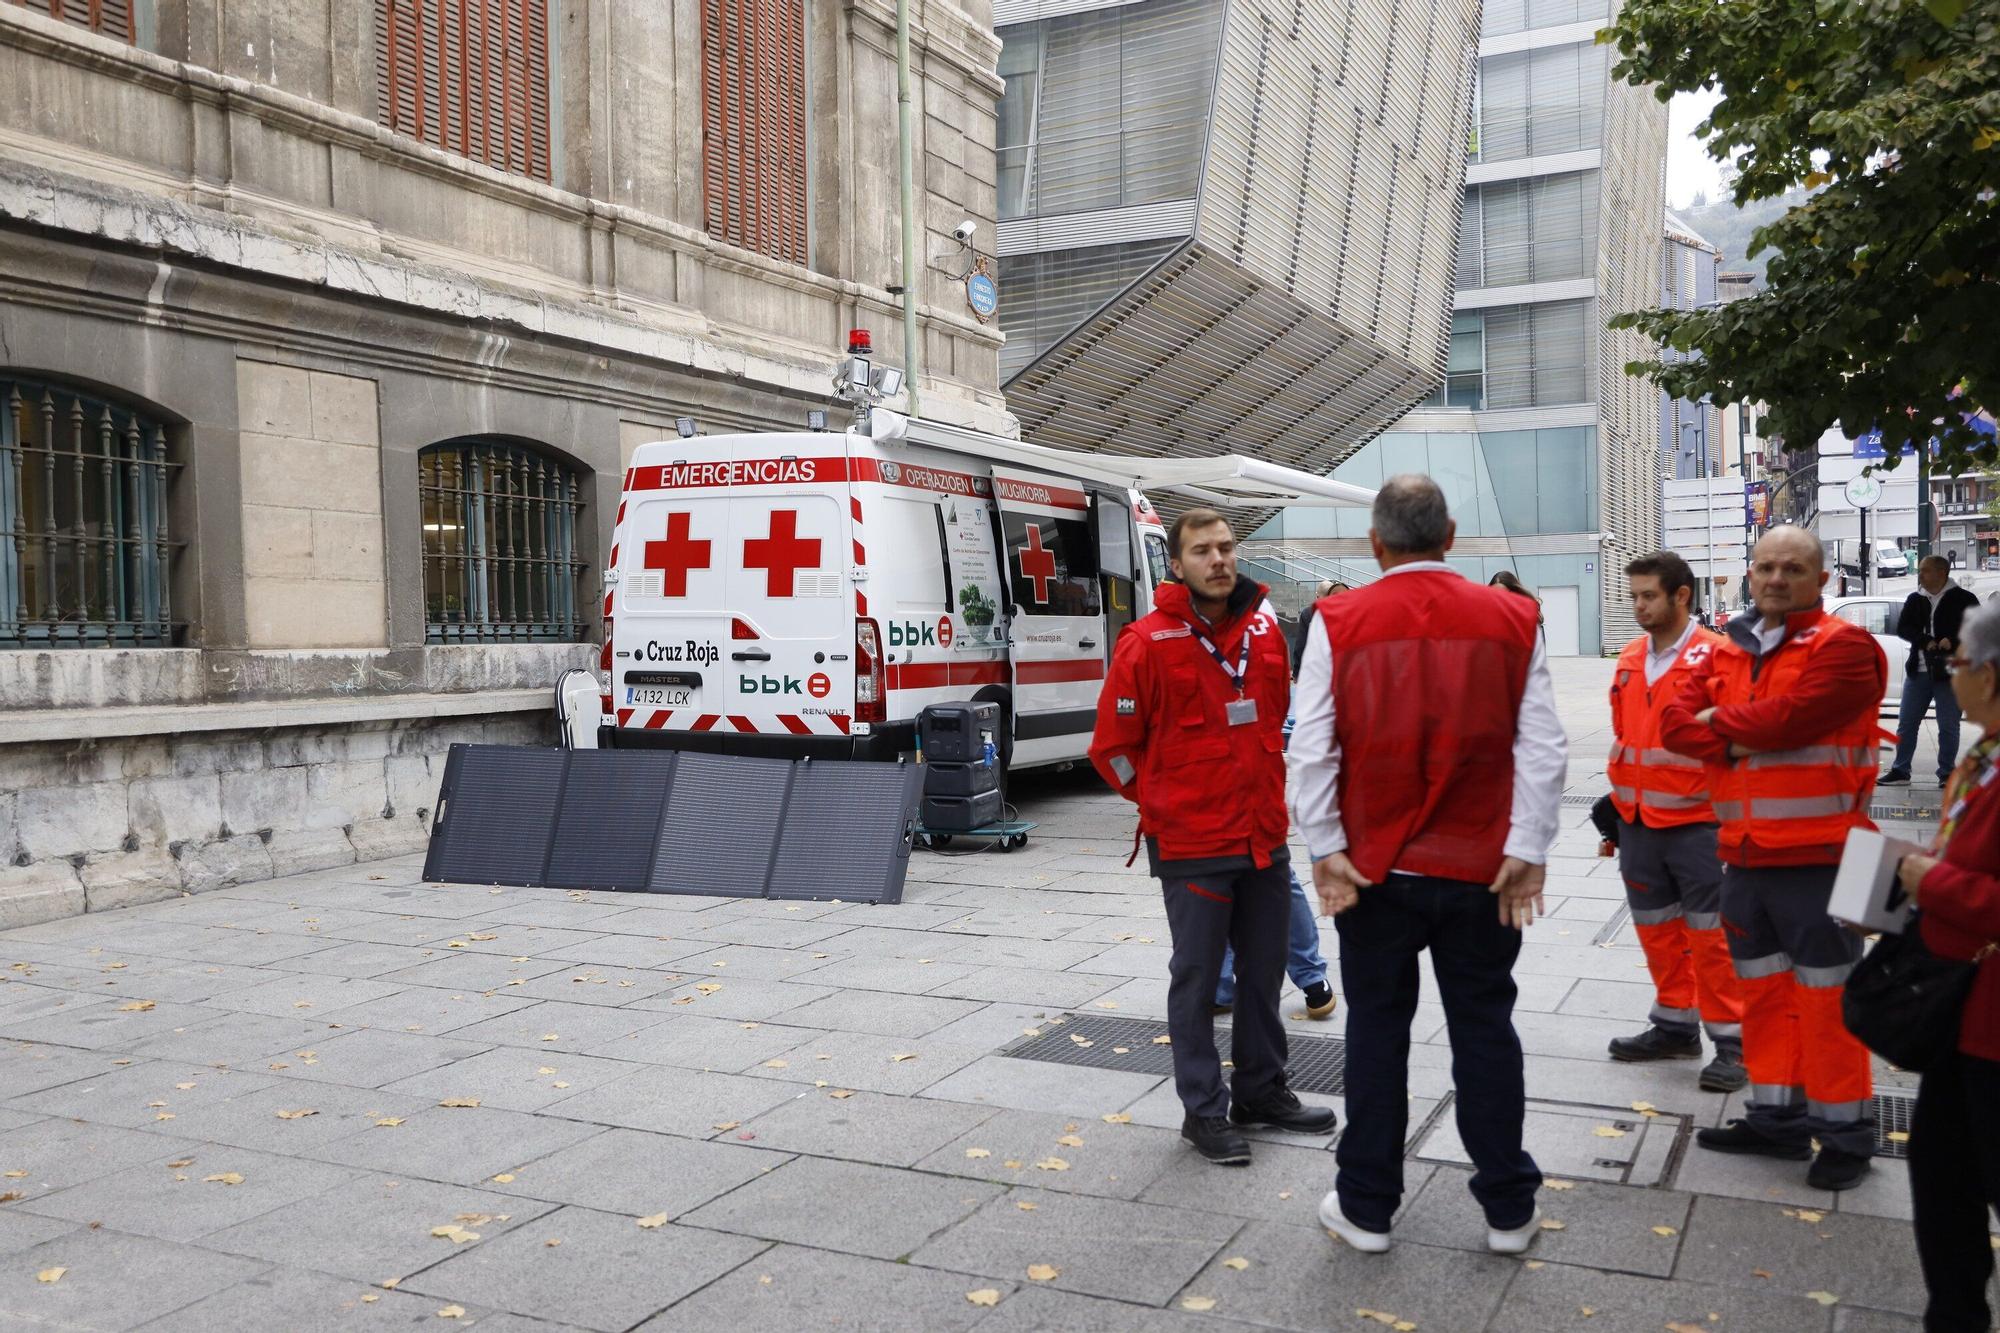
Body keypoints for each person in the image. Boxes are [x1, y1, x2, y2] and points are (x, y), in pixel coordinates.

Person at [1293, 475, 1566, 1255]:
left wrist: (1327, 850)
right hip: (1482, 867)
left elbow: (1312, 746)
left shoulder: (1338, 620)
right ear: (1451, 534)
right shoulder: (1515, 616)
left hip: (1377, 869)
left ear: (1376, 544)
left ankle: (1367, 1205)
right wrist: (1528, 850)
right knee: (1486, 1027)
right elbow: (1541, 744)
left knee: (1377, 1032)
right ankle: (1508, 1208)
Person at [1089, 507, 1338, 1166]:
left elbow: (1277, 719)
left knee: (1262, 977)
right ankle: (1204, 1110)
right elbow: (1112, 749)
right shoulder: (1145, 641)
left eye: (1226, 547)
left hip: (1262, 836)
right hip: (1192, 842)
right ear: (1176, 562)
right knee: (1197, 981)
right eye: (1202, 550)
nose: (1219, 559)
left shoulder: (1265, 629)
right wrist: (1160, 803)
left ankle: (1261, 1090)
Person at [1660, 525, 1887, 1191]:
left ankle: (1847, 1134)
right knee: (1763, 997)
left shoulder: (1848, 647)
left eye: (1793, 567)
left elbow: (1795, 720)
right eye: (1766, 566)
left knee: (1828, 1002)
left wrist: (1720, 732)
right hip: (1746, 856)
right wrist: (1738, 734)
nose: (1777, 578)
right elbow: (1674, 724)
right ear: (1748, 574)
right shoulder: (1728, 650)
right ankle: (1777, 1118)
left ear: (1822, 579)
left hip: (1824, 857)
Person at [1603, 551, 1747, 1090]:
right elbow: (1626, 736)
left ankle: (1734, 1044)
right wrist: (1613, 810)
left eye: (1648, 596)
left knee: (1713, 939)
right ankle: (1675, 1025)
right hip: (1638, 820)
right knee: (1657, 931)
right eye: (1634, 596)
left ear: (1681, 595)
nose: (1638, 606)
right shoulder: (1630, 657)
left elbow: (1736, 742)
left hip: (1698, 823)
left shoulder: (1719, 657)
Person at [1895, 605, 2000, 1332]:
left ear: (1988, 674)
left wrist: (1926, 882)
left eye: (1957, 662)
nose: (1950, 673)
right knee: (1941, 1177)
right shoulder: (1980, 754)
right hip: (1958, 1012)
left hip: (1995, 1026)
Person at [1881, 555, 1980, 786]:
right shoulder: (1915, 599)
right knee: (1906, 722)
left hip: (1950, 671)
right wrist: (1924, 640)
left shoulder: (1964, 599)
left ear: (1941, 572)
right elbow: (1903, 627)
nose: (1920, 574)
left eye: (1925, 570)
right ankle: (1900, 770)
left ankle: (1946, 772)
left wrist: (1953, 642)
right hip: (1919, 670)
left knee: (1948, 725)